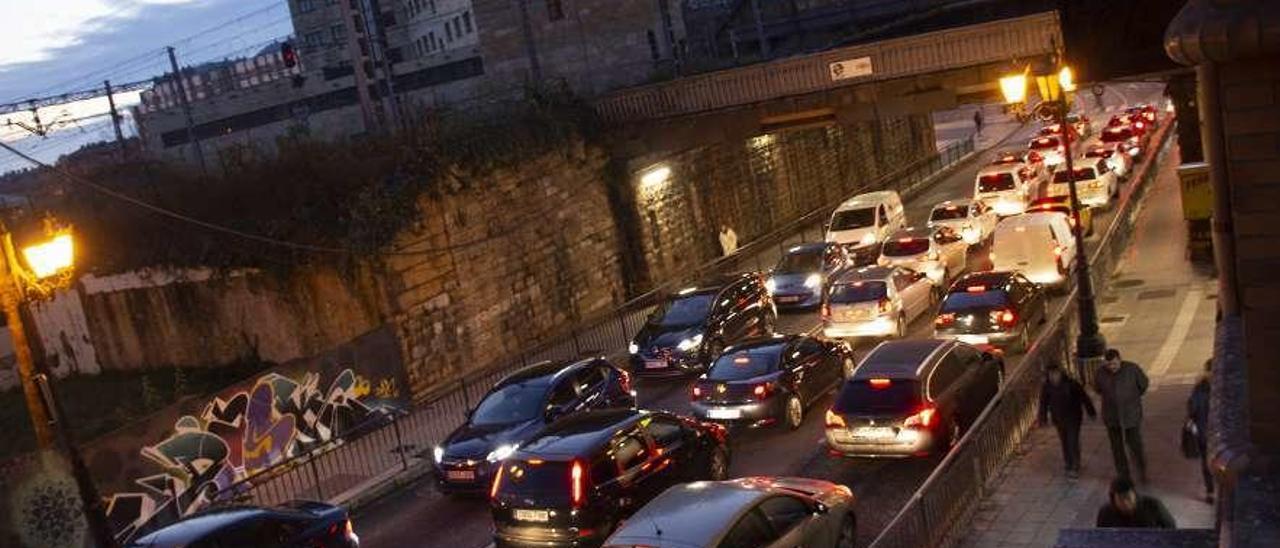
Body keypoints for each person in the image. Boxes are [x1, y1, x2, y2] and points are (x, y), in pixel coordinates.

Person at [1094, 348, 1150, 483]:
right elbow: (1097, 389)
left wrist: (1133, 399)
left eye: (1114, 363)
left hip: (1131, 414)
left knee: (1135, 445)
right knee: (1117, 448)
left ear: (1119, 359)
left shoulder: (1132, 369)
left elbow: (1144, 384)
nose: (1112, 367)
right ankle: (1123, 474)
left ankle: (1142, 471)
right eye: (1109, 364)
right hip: (1111, 416)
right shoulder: (1100, 373)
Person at [1038, 362, 1097, 478]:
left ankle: (1075, 465)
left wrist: (1091, 412)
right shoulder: (1047, 387)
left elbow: (1084, 397)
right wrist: (1043, 418)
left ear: (1060, 373)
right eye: (1051, 374)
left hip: (1073, 417)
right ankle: (1068, 462)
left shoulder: (1071, 384)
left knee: (1072, 440)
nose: (1053, 377)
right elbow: (1043, 403)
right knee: (1064, 441)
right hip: (1059, 419)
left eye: (1055, 374)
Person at [1096, 478, 1177, 529]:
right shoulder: (1105, 513)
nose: (1125, 503)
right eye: (1120, 499)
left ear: (1135, 495)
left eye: (1128, 498)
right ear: (1113, 500)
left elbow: (1170, 526)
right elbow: (1101, 536)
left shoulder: (1153, 506)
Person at [1187, 358, 1213, 502]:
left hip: (1216, 432)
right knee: (1207, 462)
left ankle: (1214, 491)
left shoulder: (1201, 388)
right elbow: (1192, 408)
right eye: (1210, 372)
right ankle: (1210, 491)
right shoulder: (1200, 388)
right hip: (1205, 432)